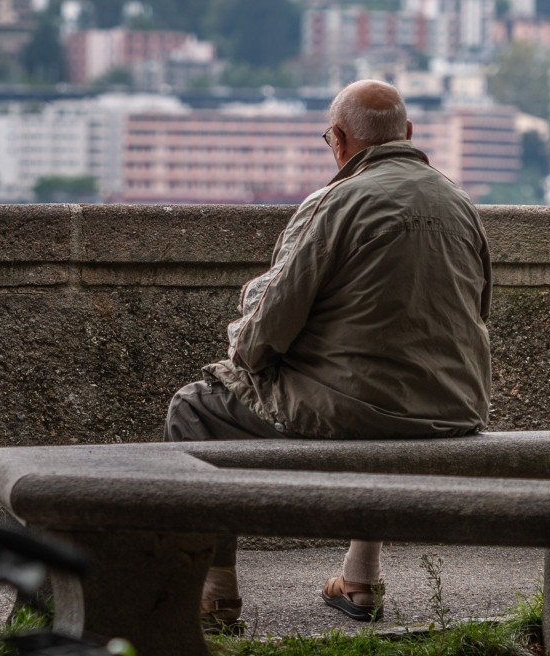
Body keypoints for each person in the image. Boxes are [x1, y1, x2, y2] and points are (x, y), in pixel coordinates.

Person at [164, 79, 493, 630]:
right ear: (408, 135)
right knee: (380, 405)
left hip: (363, 414)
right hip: (451, 413)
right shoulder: (460, 203)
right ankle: (359, 580)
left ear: (339, 140)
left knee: (193, 408)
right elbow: (479, 310)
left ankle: (216, 591)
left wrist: (246, 334)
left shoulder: (335, 202)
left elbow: (261, 337)